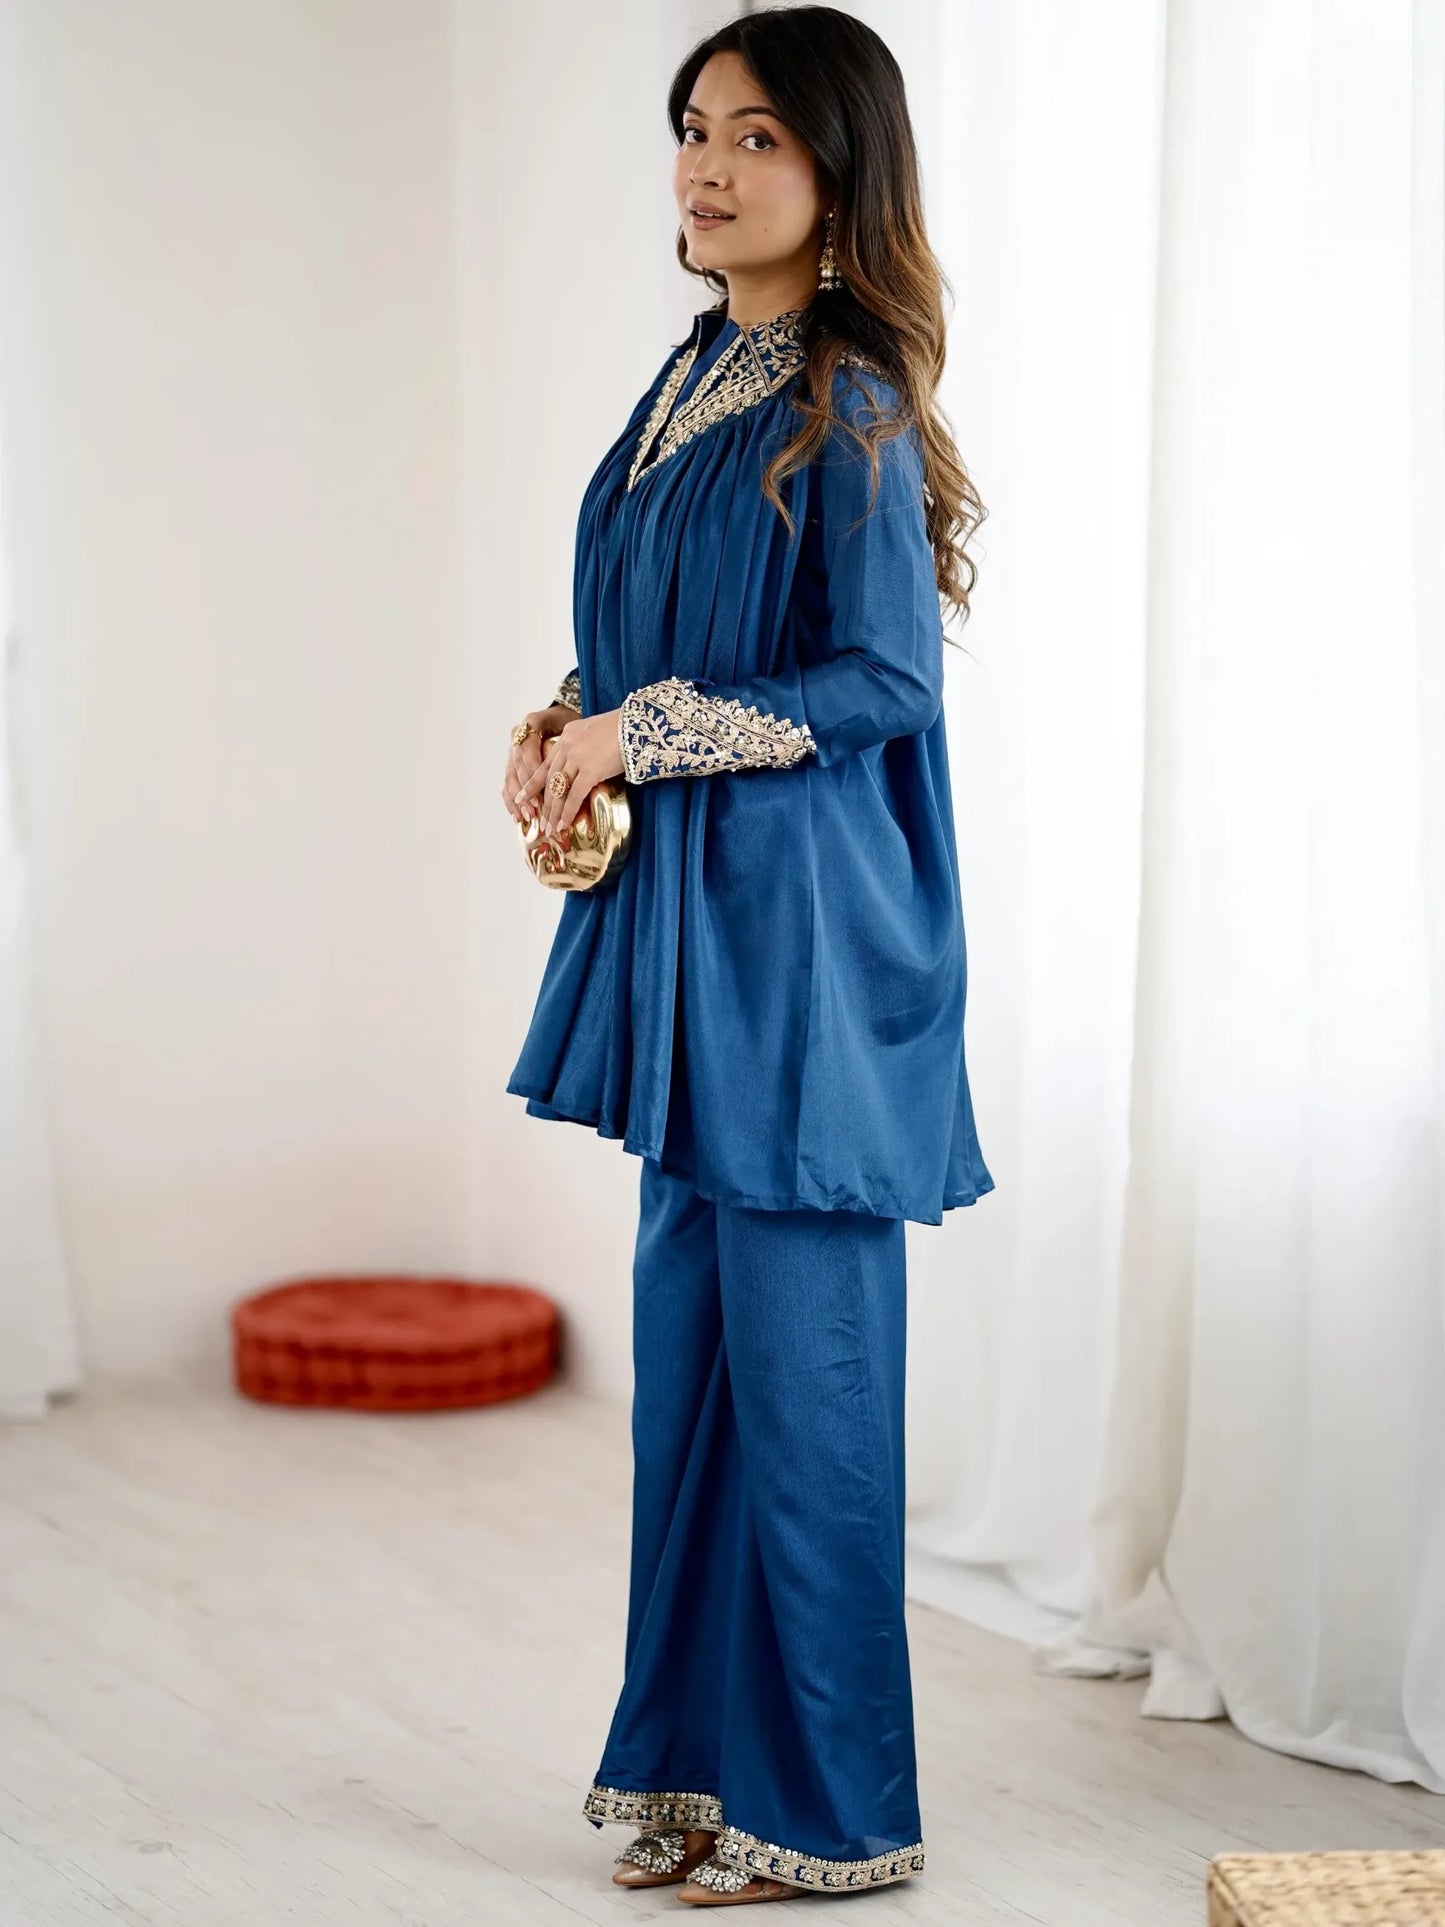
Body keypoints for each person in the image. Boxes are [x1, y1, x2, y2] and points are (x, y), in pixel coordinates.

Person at [502, 6, 994, 1905]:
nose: (706, 167)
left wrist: (646, 731)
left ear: (838, 173)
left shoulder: (847, 401)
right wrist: (570, 722)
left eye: (758, 136)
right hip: (694, 936)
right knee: (695, 1377)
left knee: (808, 1387)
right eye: (694, 127)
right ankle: (697, 1774)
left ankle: (835, 1810)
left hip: (802, 951)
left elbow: (879, 681)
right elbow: (663, 626)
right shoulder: (695, 370)